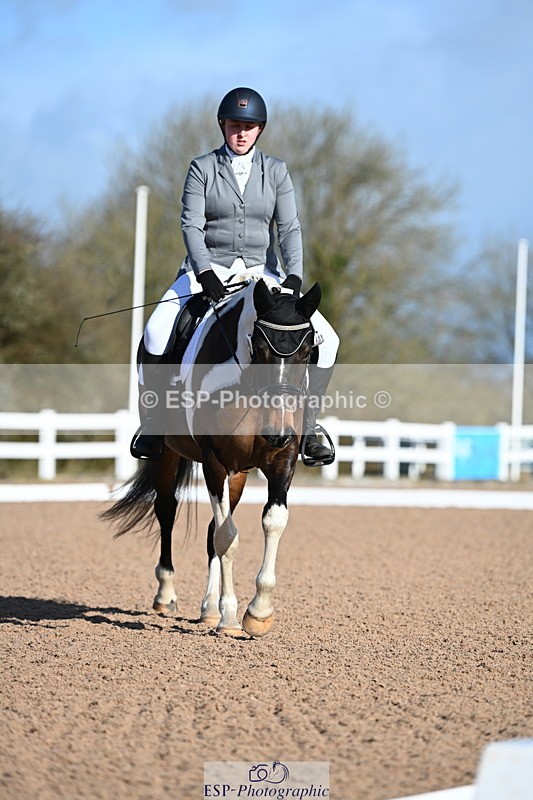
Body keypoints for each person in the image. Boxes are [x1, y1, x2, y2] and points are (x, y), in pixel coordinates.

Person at [131, 87, 339, 464]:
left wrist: (293, 276)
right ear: (222, 126)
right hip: (207, 269)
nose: (240, 133)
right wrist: (204, 271)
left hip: (264, 273)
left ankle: (309, 426)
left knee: (330, 338)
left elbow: (289, 228)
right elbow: (191, 225)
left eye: (248, 127)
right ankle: (154, 421)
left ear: (260, 129)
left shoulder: (276, 171)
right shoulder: (202, 168)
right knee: (157, 330)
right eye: (233, 126)